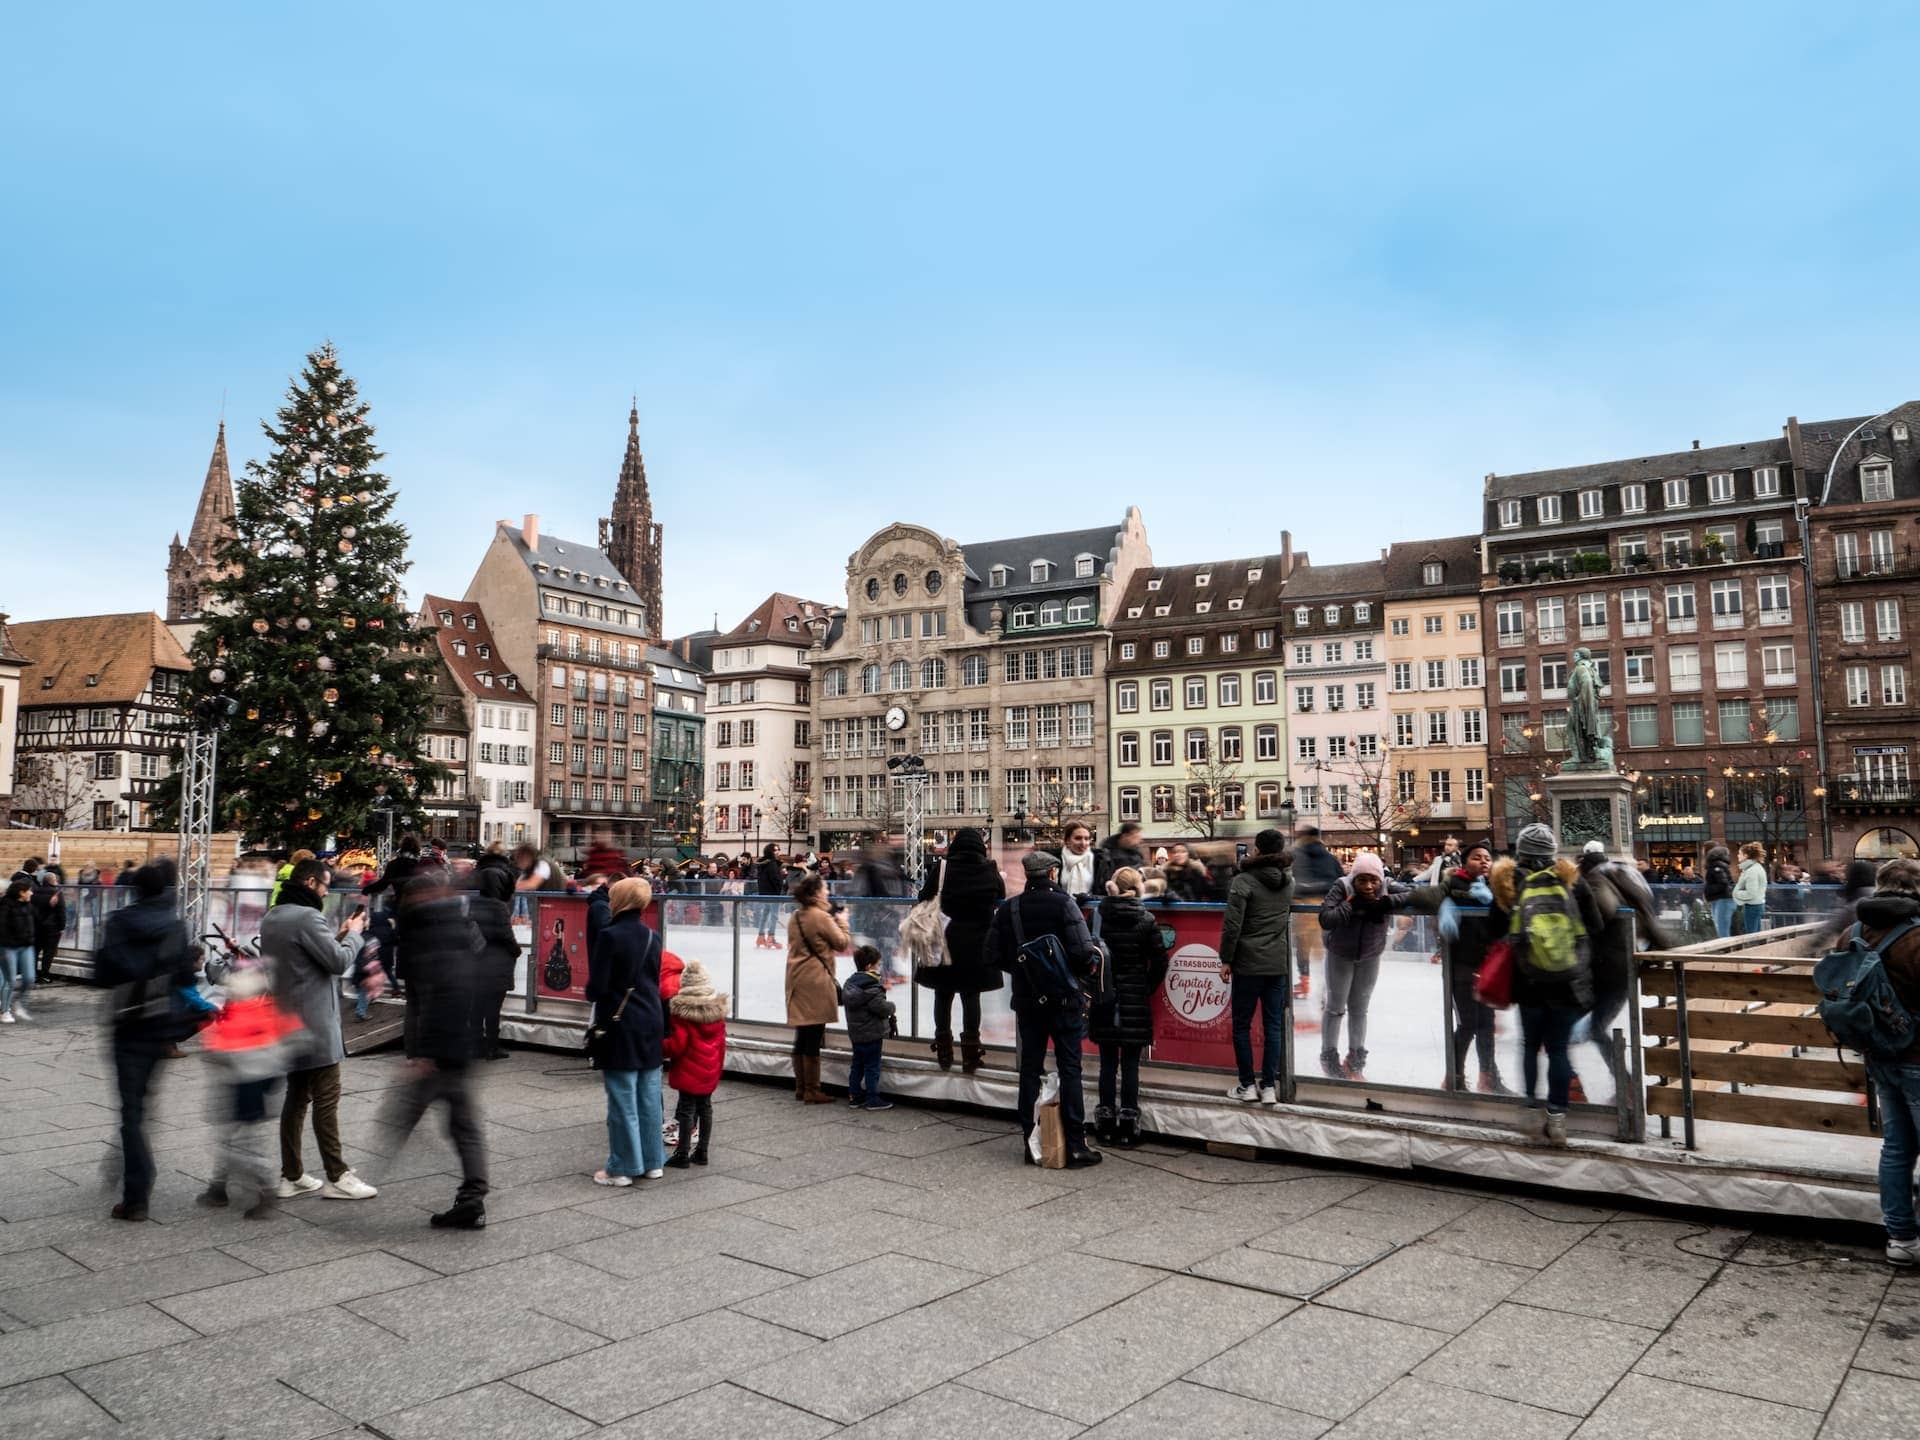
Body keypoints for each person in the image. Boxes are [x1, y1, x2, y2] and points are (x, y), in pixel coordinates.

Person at [263, 859, 378, 1201]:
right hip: (315, 1023)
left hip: (287, 1021)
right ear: (311, 883)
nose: (327, 892)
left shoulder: (273, 917)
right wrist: (356, 936)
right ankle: (338, 1175)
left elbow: (311, 958)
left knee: (296, 1099)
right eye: (326, 886)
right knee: (327, 1097)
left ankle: (291, 1174)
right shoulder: (308, 916)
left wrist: (341, 933)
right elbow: (338, 962)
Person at [382, 871, 492, 1226]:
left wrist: (423, 1051)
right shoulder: (460, 924)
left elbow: (434, 995)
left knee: (409, 1111)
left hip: (440, 1042)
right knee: (463, 1122)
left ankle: (371, 1170)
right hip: (462, 1038)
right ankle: (472, 1197)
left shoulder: (424, 933)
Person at [94, 858, 200, 1220]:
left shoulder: (119, 922)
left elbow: (103, 973)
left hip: (127, 1024)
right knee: (142, 1104)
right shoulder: (175, 925)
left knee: (131, 1110)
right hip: (161, 1025)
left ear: (136, 889)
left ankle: (136, 1193)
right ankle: (130, 1159)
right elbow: (186, 977)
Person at [986, 851, 1102, 1167]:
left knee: (1030, 1069)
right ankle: (1076, 1144)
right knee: (1069, 1067)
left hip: (1028, 1000)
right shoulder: (1065, 904)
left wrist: (1026, 969)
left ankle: (1030, 1142)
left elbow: (992, 954)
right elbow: (1081, 953)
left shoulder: (1010, 909)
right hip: (1064, 1000)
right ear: (1052, 874)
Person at [1496, 824, 1599, 1146]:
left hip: (1528, 980)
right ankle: (1557, 1118)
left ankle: (1529, 1109)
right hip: (1567, 979)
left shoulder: (1510, 880)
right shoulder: (1572, 880)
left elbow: (1493, 926)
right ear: (1553, 853)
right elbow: (1595, 924)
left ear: (1521, 852)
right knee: (1558, 1049)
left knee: (1529, 1045)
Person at [1852, 858, 1920, 1267]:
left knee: (1897, 1148)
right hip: (1917, 1054)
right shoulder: (1917, 936)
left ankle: (1901, 1239)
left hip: (1878, 1054)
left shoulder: (1855, 931)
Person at [1573, 840, 1674, 1097]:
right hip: (1624, 965)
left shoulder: (1595, 881)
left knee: (1571, 1023)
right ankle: (1622, 1084)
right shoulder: (1626, 880)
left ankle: (1618, 1085)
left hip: (1606, 966)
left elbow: (1603, 910)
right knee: (1590, 1027)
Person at [587, 876, 667, 1186]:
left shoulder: (609, 937)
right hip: (651, 1018)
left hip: (620, 1023)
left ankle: (622, 1166)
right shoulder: (653, 936)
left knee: (622, 1096)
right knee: (649, 1094)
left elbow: (597, 988)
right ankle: (653, 1161)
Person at [1416, 839, 1510, 1094]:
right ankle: (1454, 1076)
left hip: (1487, 964)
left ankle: (1489, 1076)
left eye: (1487, 858)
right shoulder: (1453, 885)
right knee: (1469, 1022)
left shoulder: (1495, 889)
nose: (1483, 862)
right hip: (1462, 964)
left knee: (1487, 1024)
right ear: (1465, 862)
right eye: (1476, 857)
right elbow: (1426, 896)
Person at [913, 827, 1005, 1074]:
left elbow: (923, 897)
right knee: (970, 997)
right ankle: (971, 1056)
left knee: (943, 996)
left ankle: (944, 1052)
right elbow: (1001, 896)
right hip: (976, 947)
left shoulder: (942, 868)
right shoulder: (989, 869)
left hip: (944, 944)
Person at [1090, 866, 1169, 1147]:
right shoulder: (1146, 919)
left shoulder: (1101, 916)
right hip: (1134, 995)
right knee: (1131, 1063)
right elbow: (1160, 961)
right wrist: (1145, 987)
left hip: (1106, 997)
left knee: (1108, 1063)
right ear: (1139, 887)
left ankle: (1105, 1119)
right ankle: (1128, 1120)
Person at [1317, 852, 1409, 1081]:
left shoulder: (1387, 886)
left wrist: (1387, 902)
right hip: (1340, 953)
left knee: (1360, 1009)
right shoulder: (1342, 886)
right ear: (1354, 878)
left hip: (1370, 955)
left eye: (1373, 880)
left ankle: (1356, 1062)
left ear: (1380, 879)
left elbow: (1414, 894)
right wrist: (1352, 905)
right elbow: (1326, 917)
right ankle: (1329, 1058)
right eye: (1362, 880)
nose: (1368, 886)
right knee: (1335, 1008)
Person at [1218, 830, 1294, 1105]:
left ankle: (1247, 1085)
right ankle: (1270, 1086)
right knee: (1273, 1025)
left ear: (1258, 850)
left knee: (1242, 1025)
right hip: (1276, 963)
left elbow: (1232, 924)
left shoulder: (1243, 880)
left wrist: (1226, 958)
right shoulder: (1289, 881)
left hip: (1248, 964)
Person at [785, 873, 847, 1104]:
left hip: (796, 977)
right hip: (816, 980)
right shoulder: (820, 916)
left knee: (802, 1033)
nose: (828, 892)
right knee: (813, 1034)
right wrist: (843, 922)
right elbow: (841, 943)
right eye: (825, 889)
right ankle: (812, 1090)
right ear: (816, 893)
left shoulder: (795, 916)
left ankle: (801, 1087)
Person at [663, 958, 727, 1168]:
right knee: (706, 1108)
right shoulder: (717, 1014)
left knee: (686, 1110)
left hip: (688, 1071)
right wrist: (717, 1068)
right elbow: (721, 1046)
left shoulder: (682, 1015)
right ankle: (702, 1152)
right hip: (709, 1071)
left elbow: (677, 1045)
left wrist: (659, 1046)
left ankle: (682, 1153)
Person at [468, 845, 521, 1059]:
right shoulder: (499, 907)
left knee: (477, 1006)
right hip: (497, 964)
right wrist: (516, 951)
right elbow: (507, 937)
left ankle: (476, 1045)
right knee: (493, 1009)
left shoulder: (473, 903)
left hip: (477, 963)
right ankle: (492, 1046)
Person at [841, 944, 896, 1111]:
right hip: (872, 1035)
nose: (879, 968)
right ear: (869, 966)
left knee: (857, 1065)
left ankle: (855, 1096)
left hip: (856, 1034)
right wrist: (891, 1007)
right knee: (872, 1066)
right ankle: (872, 1098)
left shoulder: (850, 984)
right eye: (878, 965)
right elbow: (881, 1008)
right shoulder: (872, 987)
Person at [1291, 824, 1344, 998]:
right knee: (1326, 948)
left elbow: (1292, 880)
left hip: (1304, 907)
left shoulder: (1297, 855)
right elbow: (1341, 879)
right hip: (1328, 907)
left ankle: (1305, 982)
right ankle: (1328, 988)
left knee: (1303, 948)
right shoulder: (1330, 857)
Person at [1, 879, 35, 1022]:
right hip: (8, 947)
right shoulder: (4, 906)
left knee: (29, 978)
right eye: (29, 890)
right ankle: (4, 1011)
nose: (31, 892)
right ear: (21, 892)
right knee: (10, 980)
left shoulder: (27, 904)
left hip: (26, 946)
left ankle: (18, 1002)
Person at [30, 864, 64, 983]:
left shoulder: (34, 892)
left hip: (37, 926)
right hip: (52, 928)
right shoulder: (57, 894)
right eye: (55, 879)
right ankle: (44, 975)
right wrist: (61, 927)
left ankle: (33, 975)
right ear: (52, 881)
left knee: (35, 951)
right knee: (48, 953)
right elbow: (61, 912)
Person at [1058, 823, 1109, 902]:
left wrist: (1090, 897)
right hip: (1062, 910)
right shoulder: (1055, 861)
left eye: (1087, 839)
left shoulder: (1101, 861)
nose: (1083, 843)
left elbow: (1105, 893)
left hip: (1091, 911)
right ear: (1067, 841)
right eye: (1078, 838)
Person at [754, 843, 786, 949]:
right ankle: (771, 937)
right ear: (770, 852)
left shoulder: (762, 864)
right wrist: (781, 878)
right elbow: (776, 880)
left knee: (765, 914)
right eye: (775, 850)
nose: (778, 852)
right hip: (773, 894)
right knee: (774, 916)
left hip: (764, 893)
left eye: (778, 849)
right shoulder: (772, 864)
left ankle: (761, 936)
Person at [1733, 841, 1768, 935]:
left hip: (1752, 906)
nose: (1737, 855)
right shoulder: (1753, 868)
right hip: (1756, 905)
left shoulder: (1752, 870)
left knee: (1751, 936)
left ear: (1746, 856)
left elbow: (1751, 893)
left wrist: (1736, 893)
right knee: (1755, 934)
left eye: (1739, 853)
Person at [1703, 845, 1735, 938]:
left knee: (1722, 927)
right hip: (1720, 899)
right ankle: (1726, 948)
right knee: (1720, 925)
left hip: (1723, 899)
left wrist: (1708, 890)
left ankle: (1726, 949)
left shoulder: (1717, 867)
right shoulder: (1720, 866)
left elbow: (1723, 883)